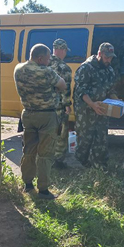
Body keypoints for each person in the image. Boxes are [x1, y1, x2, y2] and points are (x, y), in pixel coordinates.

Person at [14, 44, 66, 199]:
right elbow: (62, 85)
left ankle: (28, 185)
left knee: (28, 151)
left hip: (28, 115)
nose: (49, 61)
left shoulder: (18, 69)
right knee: (45, 154)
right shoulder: (47, 72)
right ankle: (43, 190)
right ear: (40, 58)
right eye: (48, 58)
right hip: (46, 116)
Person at [73, 42, 119, 169]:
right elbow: (81, 91)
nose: (108, 60)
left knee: (101, 137)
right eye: (106, 57)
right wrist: (92, 105)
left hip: (102, 109)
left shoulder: (109, 70)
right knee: (85, 139)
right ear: (99, 54)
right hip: (85, 111)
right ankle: (81, 162)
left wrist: (117, 102)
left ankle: (100, 164)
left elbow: (111, 90)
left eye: (110, 57)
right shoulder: (86, 68)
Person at [50, 39, 73, 169]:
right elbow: (65, 89)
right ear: (63, 50)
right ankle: (57, 161)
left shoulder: (43, 63)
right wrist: (67, 105)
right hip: (58, 107)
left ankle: (44, 159)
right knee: (61, 134)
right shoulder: (64, 68)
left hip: (44, 106)